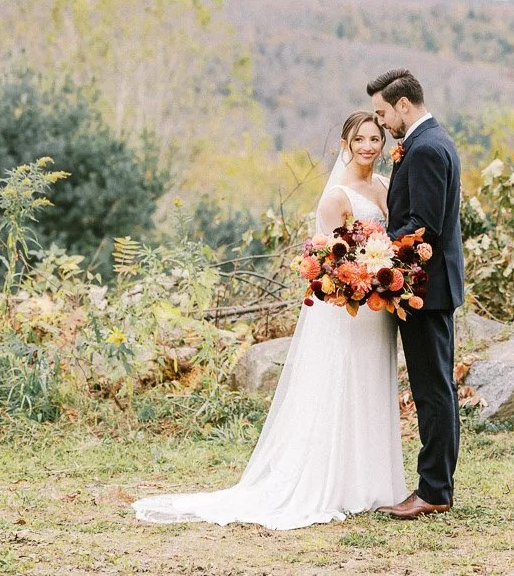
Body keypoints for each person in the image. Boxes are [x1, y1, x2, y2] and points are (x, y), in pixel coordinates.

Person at [131, 112, 407, 530]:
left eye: (374, 139)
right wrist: (360, 279)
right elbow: (330, 261)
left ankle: (370, 481)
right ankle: (334, 482)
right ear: (344, 144)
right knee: (342, 384)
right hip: (349, 310)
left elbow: (391, 239)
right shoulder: (336, 196)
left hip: (377, 311)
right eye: (360, 139)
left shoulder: (384, 186)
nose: (368, 146)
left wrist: (384, 273)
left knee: (370, 383)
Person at [368, 68, 464, 520]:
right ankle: (435, 486)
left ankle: (434, 491)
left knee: (432, 390)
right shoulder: (431, 141)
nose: (382, 123)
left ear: (403, 105)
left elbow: (423, 226)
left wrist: (373, 253)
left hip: (425, 289)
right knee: (434, 387)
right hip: (429, 288)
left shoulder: (425, 148)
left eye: (383, 112)